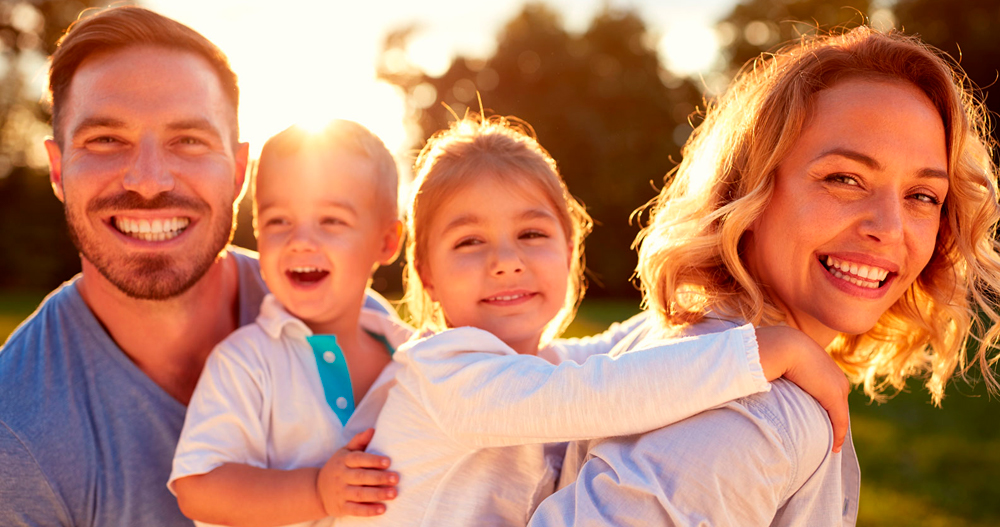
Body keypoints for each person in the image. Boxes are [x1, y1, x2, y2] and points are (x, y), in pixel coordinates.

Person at [528, 27, 1000, 526]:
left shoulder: (670, 346)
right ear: (748, 191)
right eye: (844, 179)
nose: (890, 228)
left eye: (922, 196)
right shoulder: (754, 419)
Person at [338, 116, 851, 527]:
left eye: (532, 234)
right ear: (426, 275)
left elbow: (630, 341)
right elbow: (597, 391)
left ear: (569, 248)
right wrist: (762, 352)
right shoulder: (443, 372)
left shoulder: (545, 363)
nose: (506, 260)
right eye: (469, 242)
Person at [0, 8, 389, 526]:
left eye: (188, 140)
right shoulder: (17, 433)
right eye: (106, 140)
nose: (149, 180)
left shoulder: (348, 314)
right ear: (57, 169)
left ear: (236, 173)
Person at [169, 121, 411, 526]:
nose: (300, 240)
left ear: (387, 242)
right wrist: (317, 491)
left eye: (331, 221)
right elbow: (199, 488)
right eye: (279, 221)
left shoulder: (412, 357)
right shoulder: (247, 361)